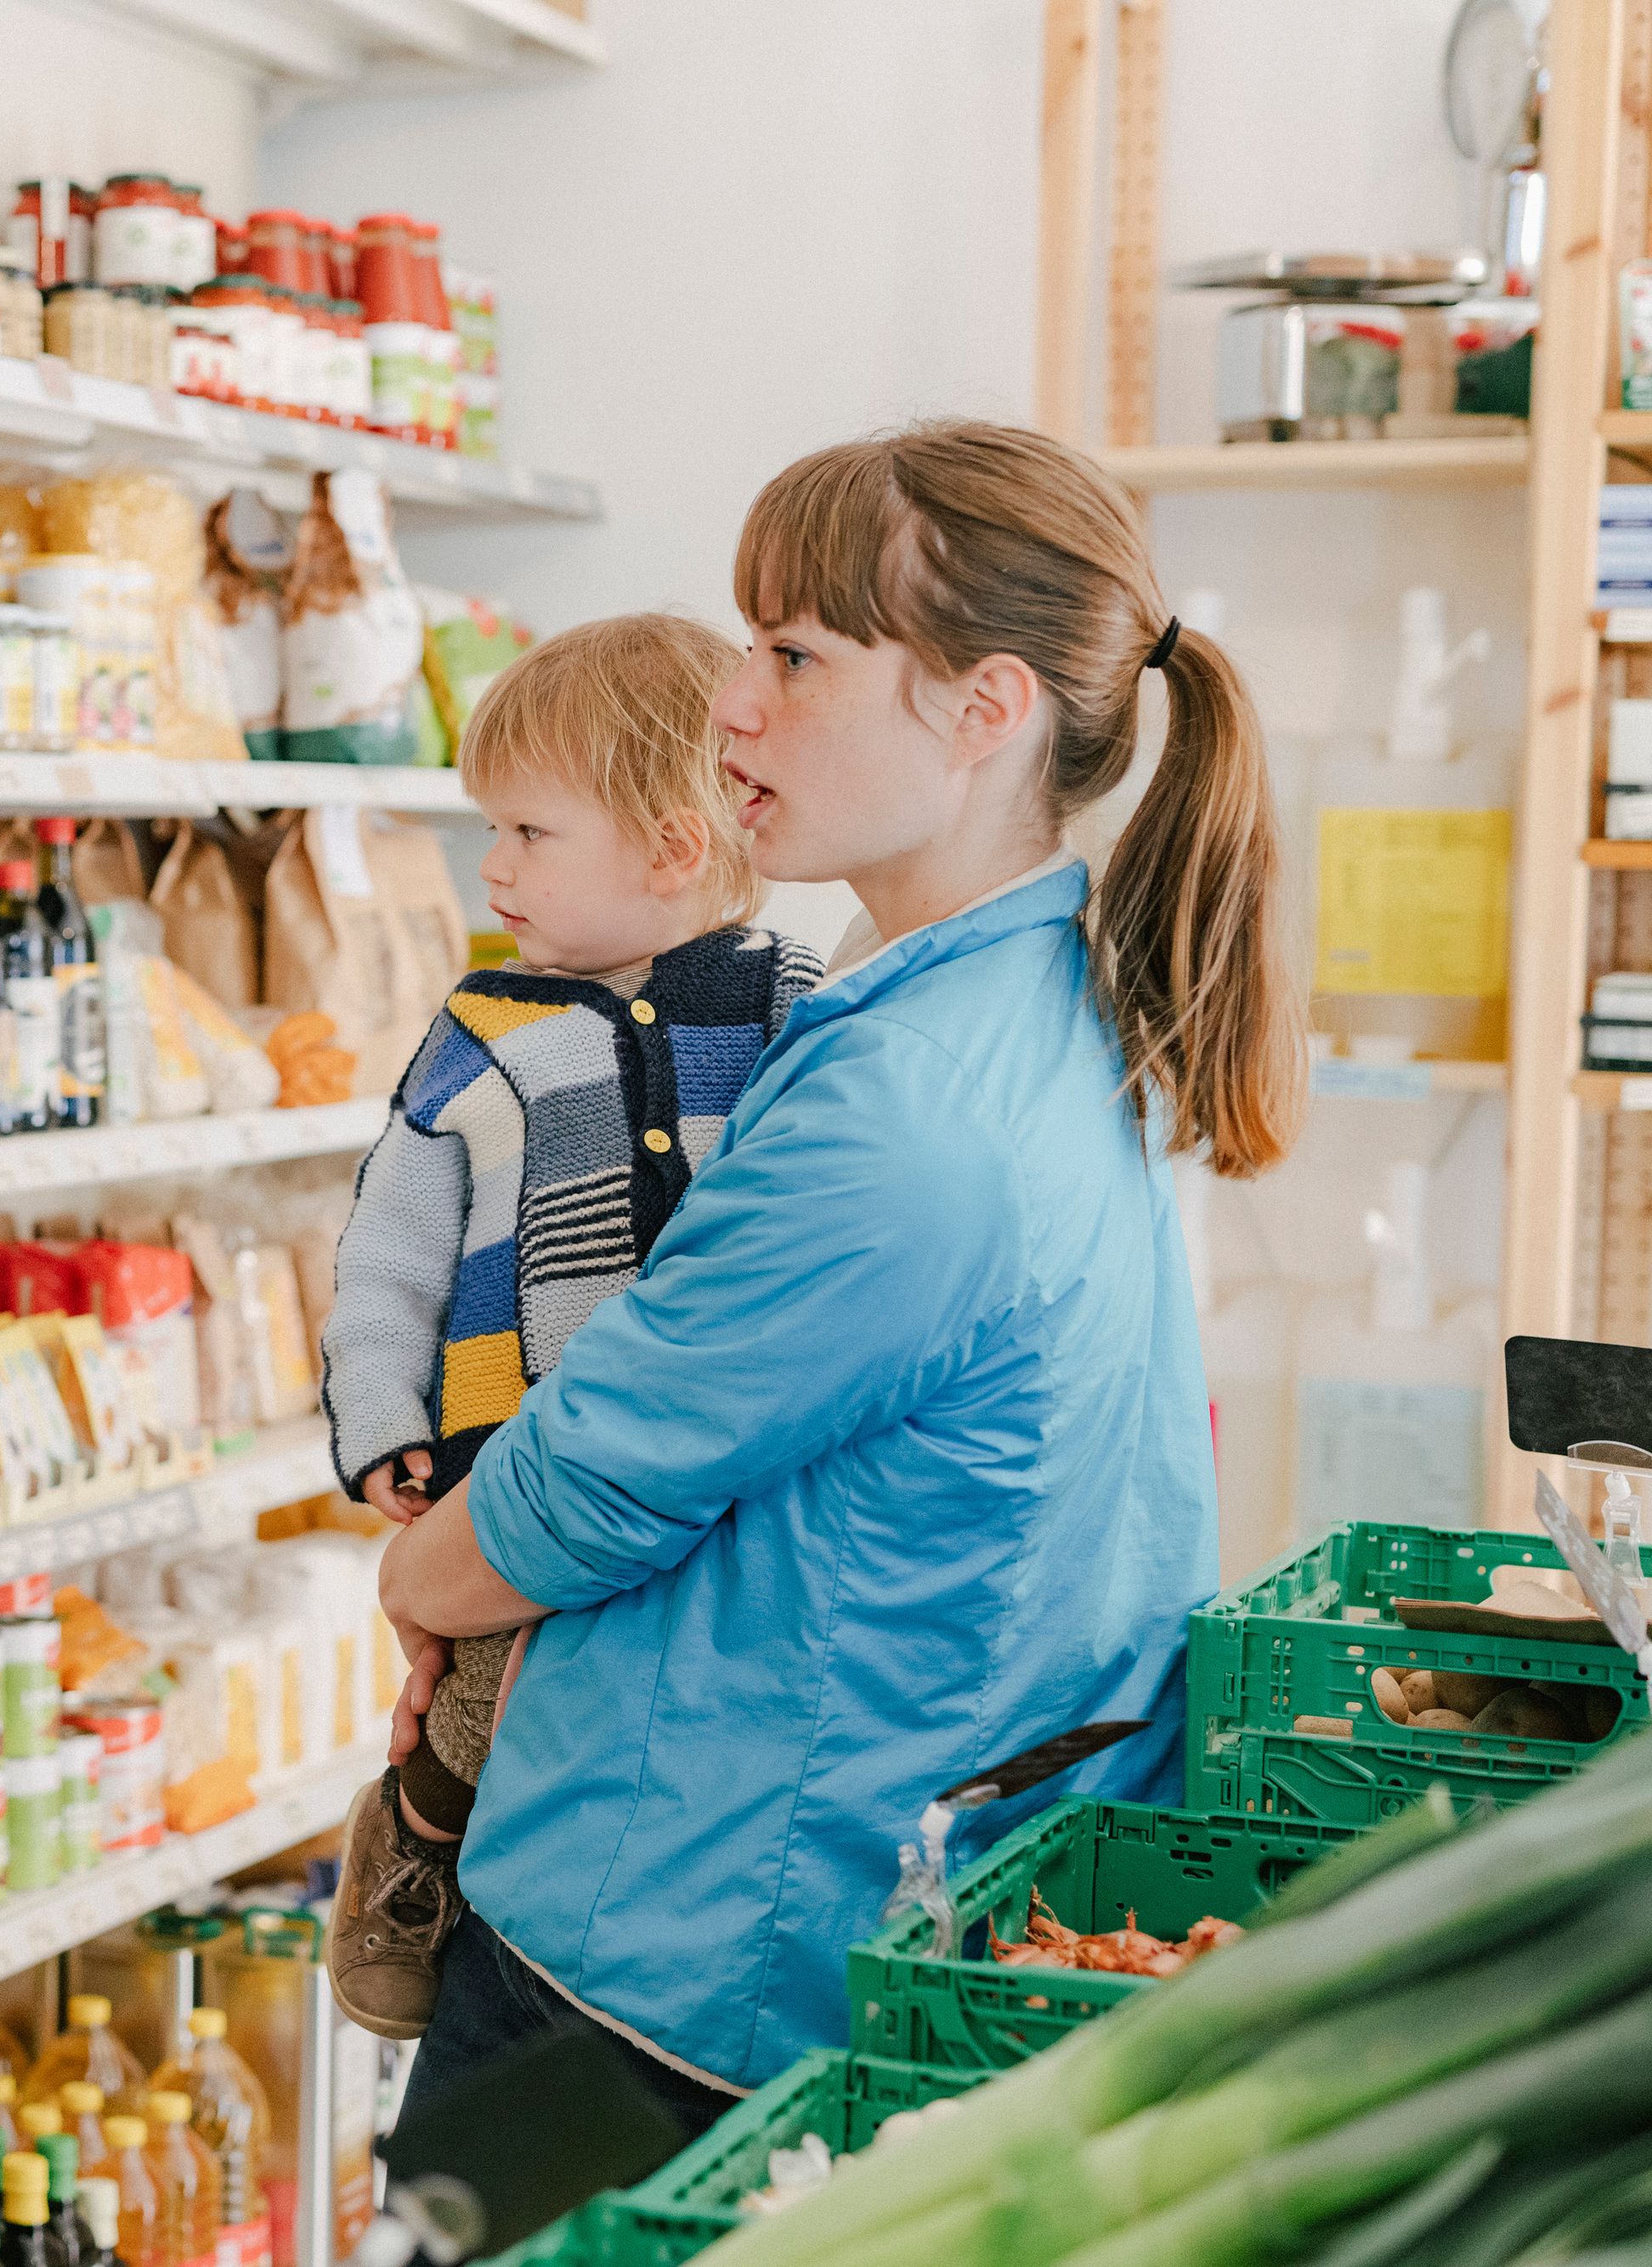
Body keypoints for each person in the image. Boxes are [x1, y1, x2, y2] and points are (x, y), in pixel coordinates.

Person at [372, 420, 1298, 2135]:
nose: (731, 700)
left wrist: (421, 1579)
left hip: (690, 1945)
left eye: (793, 653)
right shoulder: (1026, 1000)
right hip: (855, 1866)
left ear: (983, 709)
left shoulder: (906, 1108)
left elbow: (595, 1480)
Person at [316, 613, 820, 2038]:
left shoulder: (794, 1006)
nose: (495, 868)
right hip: (512, 1454)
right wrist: (381, 1424)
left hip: (704, 1471)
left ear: (670, 848)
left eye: (530, 832)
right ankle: (421, 1844)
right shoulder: (479, 1029)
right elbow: (391, 1251)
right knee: (488, 1693)